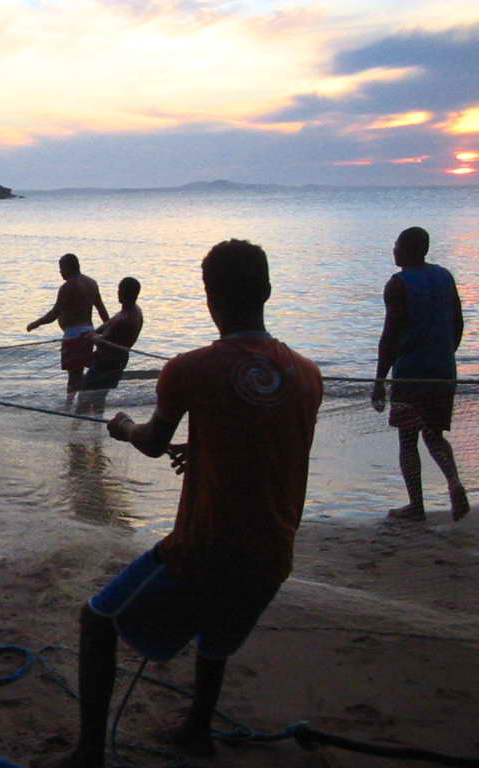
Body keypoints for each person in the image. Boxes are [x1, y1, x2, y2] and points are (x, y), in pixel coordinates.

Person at [46, 239, 322, 766]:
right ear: (266, 290)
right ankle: (196, 728)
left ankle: (88, 753)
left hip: (204, 552)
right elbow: (272, 445)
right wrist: (202, 449)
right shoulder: (308, 374)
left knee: (98, 620)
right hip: (272, 556)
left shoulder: (188, 369)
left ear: (209, 296)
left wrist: (124, 426)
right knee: (217, 636)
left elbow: (151, 441)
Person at [371, 226, 469, 521]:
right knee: (434, 433)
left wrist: (379, 380)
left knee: (408, 438)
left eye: (398, 244)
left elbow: (390, 336)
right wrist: (444, 356)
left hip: (411, 371)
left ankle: (416, 505)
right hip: (442, 369)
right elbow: (458, 323)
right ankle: (453, 482)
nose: (394, 249)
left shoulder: (398, 284)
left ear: (409, 249)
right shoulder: (444, 276)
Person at [26, 253, 110, 403]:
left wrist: (35, 323)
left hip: (74, 336)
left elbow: (54, 313)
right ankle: (84, 400)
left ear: (68, 267)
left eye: (61, 269)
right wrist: (108, 329)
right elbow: (102, 310)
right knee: (78, 372)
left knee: (73, 377)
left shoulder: (67, 287)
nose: (60, 272)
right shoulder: (92, 283)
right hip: (89, 333)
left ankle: (70, 407)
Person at [76, 276, 143, 414]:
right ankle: (96, 428)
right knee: (99, 397)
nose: (118, 293)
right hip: (111, 359)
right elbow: (108, 324)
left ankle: (76, 428)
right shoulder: (130, 310)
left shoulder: (127, 318)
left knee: (85, 395)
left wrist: (91, 336)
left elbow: (104, 341)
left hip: (108, 363)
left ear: (129, 293)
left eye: (121, 290)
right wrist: (94, 332)